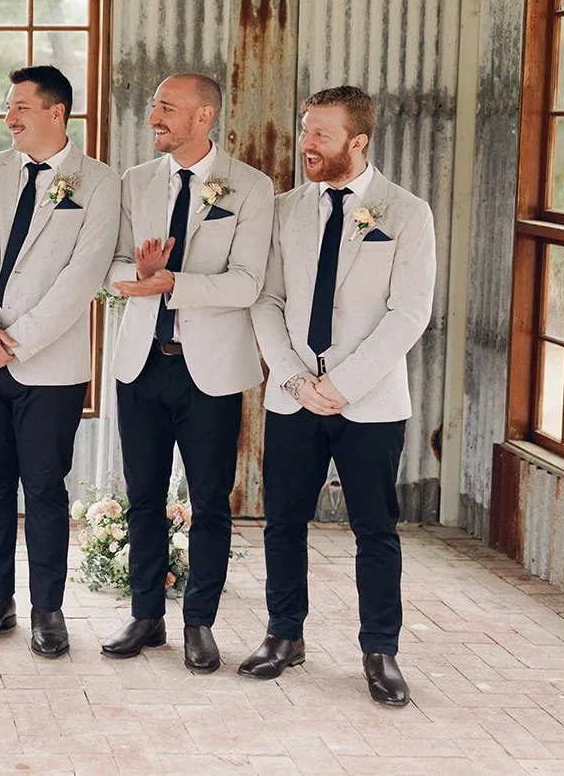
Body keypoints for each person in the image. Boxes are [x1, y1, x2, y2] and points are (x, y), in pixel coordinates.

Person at [243, 85, 436, 707]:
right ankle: (284, 635)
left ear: (358, 142)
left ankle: (380, 651)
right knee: (283, 523)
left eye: (321, 134)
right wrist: (295, 379)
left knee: (375, 529)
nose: (307, 143)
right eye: (305, 130)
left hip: (370, 403)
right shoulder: (284, 210)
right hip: (294, 398)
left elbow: (408, 314)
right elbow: (267, 299)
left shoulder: (406, 212)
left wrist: (343, 384)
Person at [0, 65, 120, 658]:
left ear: (56, 112)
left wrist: (15, 341)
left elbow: (83, 276)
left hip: (49, 367)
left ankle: (49, 609)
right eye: (7, 106)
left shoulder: (99, 182)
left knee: (44, 487)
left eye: (20, 106)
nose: (9, 117)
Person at [101, 73, 274, 673]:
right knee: (143, 498)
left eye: (167, 109)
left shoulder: (251, 187)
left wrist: (172, 281)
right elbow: (113, 263)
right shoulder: (135, 181)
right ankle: (145, 615)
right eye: (155, 107)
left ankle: (199, 623)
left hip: (211, 374)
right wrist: (137, 273)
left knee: (209, 502)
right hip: (141, 364)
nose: (154, 118)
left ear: (204, 117)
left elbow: (248, 283)